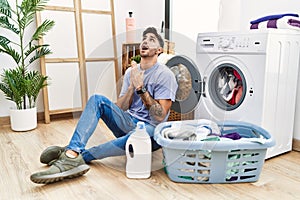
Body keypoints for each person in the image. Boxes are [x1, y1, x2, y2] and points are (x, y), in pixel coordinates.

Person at [30, 27, 178, 184]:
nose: (146, 41)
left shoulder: (165, 75)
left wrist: (141, 89)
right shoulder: (130, 73)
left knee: (133, 138)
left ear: (159, 50)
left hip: (150, 132)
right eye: (144, 38)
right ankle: (73, 150)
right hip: (128, 122)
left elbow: (160, 115)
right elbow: (120, 108)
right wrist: (130, 88)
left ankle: (72, 155)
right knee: (96, 99)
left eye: (152, 40)